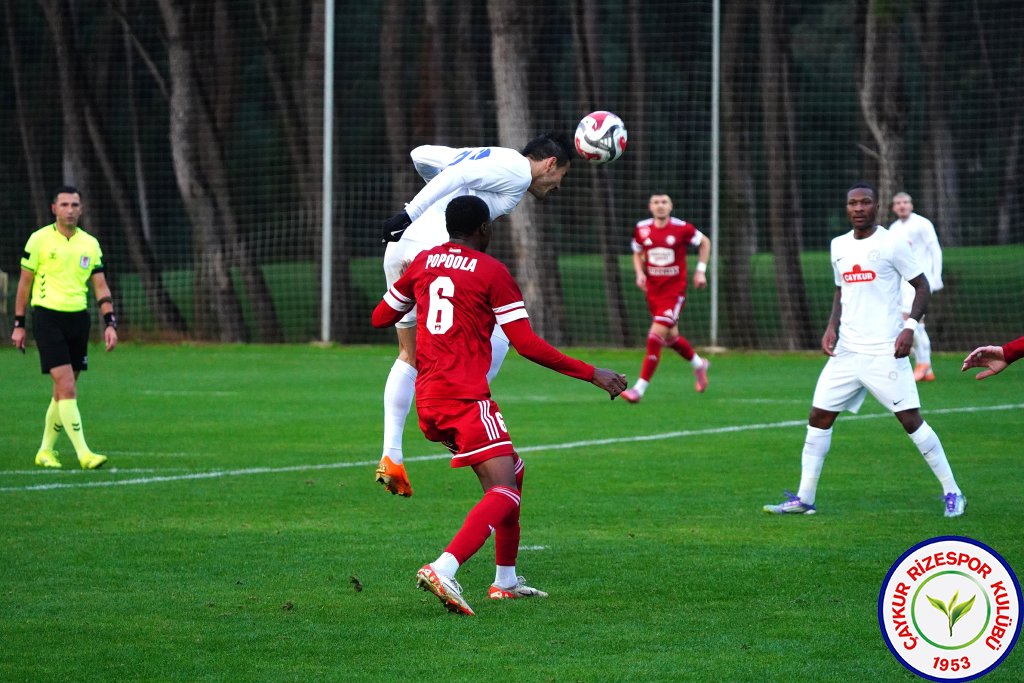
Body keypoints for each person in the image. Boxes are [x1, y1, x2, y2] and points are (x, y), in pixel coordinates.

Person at [371, 196, 626, 616]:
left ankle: (505, 581)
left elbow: (382, 317)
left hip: (429, 401)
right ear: (484, 229)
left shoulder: (423, 262)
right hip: (466, 399)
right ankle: (444, 567)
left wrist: (409, 286)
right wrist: (590, 372)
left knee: (514, 471)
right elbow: (525, 344)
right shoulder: (492, 271)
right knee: (504, 490)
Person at [376, 134, 574, 498]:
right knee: (501, 327)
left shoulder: (493, 167)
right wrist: (410, 213)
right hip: (436, 247)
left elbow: (420, 154)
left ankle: (392, 454)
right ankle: (461, 416)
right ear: (549, 163)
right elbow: (454, 176)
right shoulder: (516, 169)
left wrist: (450, 179)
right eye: (562, 174)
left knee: (410, 354)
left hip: (402, 249)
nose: (559, 184)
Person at [764, 182, 966, 518]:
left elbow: (921, 286)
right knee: (818, 417)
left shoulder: (892, 242)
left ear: (876, 206)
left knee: (911, 421)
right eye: (853, 203)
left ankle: (953, 492)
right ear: (847, 209)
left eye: (866, 202)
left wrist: (909, 328)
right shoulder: (838, 245)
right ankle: (805, 499)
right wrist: (831, 326)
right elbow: (840, 290)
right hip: (847, 352)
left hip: (885, 351)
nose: (859, 208)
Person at [10, 185, 118, 470]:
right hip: (47, 318)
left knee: (62, 392)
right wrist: (19, 324)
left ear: (81, 209)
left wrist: (110, 323)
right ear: (54, 209)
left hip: (78, 320)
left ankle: (45, 451)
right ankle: (84, 454)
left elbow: (100, 286)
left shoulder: (90, 244)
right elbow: (24, 284)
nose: (70, 210)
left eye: (75, 205)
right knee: (67, 386)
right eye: (64, 205)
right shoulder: (39, 240)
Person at [620, 192, 711, 403]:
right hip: (653, 292)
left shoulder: (682, 228)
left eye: (664, 202)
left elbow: (704, 242)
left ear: (671, 206)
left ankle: (639, 389)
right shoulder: (642, 229)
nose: (660, 206)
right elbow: (637, 251)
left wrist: (700, 270)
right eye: (656, 202)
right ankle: (699, 364)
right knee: (670, 338)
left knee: (654, 337)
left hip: (674, 292)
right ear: (650, 207)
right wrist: (640, 273)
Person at [888, 192, 943, 381]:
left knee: (912, 321)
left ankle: (923, 363)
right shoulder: (893, 229)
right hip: (902, 283)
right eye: (898, 203)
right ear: (893, 207)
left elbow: (935, 250)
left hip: (920, 282)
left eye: (905, 202)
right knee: (913, 322)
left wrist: (936, 277)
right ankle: (926, 369)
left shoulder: (922, 224)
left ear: (911, 205)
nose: (902, 205)